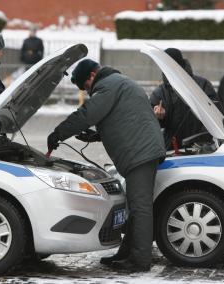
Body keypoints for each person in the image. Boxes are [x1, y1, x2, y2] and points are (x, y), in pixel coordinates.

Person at [47, 59, 166, 272]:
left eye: (85, 86)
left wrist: (59, 133)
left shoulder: (108, 86)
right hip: (142, 150)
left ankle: (139, 261)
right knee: (135, 207)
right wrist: (96, 135)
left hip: (140, 153)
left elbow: (88, 113)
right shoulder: (118, 82)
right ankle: (127, 254)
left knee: (140, 208)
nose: (87, 91)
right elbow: (124, 119)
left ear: (92, 76)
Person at [150, 48, 221, 150]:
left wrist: (202, 141)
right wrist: (159, 117)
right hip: (173, 149)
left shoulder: (202, 85)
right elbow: (150, 122)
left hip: (201, 149)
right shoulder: (160, 92)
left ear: (181, 65)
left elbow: (216, 113)